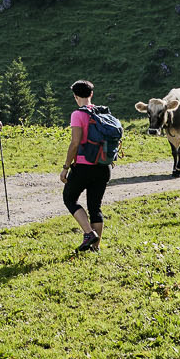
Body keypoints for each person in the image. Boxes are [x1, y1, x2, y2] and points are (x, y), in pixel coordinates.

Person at [63, 79, 120, 252]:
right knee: (95, 207)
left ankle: (89, 233)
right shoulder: (101, 112)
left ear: (75, 96)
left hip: (83, 167)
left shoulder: (77, 114)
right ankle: (96, 248)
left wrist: (66, 167)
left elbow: (75, 143)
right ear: (91, 94)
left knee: (69, 198)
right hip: (103, 166)